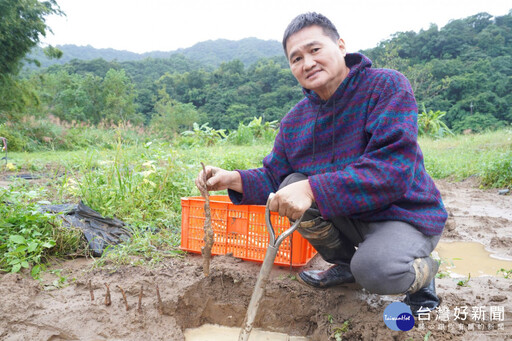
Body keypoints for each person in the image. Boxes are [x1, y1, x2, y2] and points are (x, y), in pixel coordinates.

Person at [196, 12, 447, 315]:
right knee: (290, 185)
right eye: (296, 58)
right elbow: (275, 177)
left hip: (403, 214)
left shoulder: (386, 87)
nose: (308, 63)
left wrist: (312, 188)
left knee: (376, 270)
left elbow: (392, 171)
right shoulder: (295, 121)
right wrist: (231, 178)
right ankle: (346, 266)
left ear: (340, 46)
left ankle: (422, 275)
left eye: (315, 50)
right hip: (350, 214)